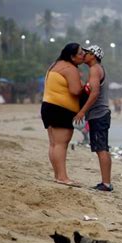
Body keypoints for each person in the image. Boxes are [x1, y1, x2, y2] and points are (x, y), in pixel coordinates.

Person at [41, 42, 85, 187]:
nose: (83, 55)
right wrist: (85, 86)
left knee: (54, 144)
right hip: (61, 109)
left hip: (48, 106)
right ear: (71, 56)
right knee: (61, 144)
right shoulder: (70, 68)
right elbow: (75, 91)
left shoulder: (55, 65)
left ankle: (57, 175)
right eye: (80, 53)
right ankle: (63, 177)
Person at [73, 45, 113, 192]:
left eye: (87, 53)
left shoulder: (95, 69)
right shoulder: (99, 69)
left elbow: (95, 93)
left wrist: (82, 112)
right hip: (102, 114)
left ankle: (106, 183)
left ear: (94, 56)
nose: (84, 55)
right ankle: (107, 182)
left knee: (101, 149)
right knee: (103, 148)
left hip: (98, 114)